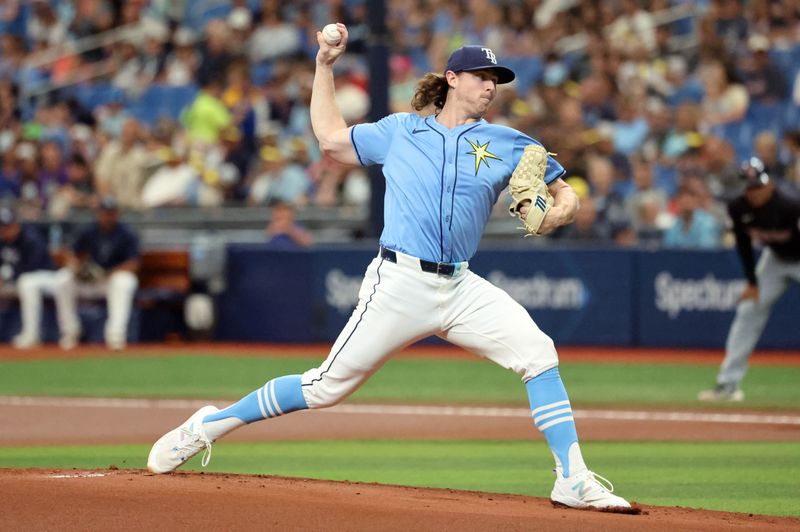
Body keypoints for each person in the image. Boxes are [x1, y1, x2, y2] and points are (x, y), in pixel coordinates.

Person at [147, 28, 634, 512]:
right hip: (400, 282)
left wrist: (558, 211)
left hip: (461, 285)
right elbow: (330, 139)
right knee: (324, 388)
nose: (490, 85)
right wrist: (324, 65)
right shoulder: (401, 130)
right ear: (452, 79)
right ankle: (208, 426)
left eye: (495, 79)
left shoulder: (509, 142)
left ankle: (572, 478)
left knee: (538, 352)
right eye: (481, 75)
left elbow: (567, 192)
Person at [699, 158, 800, 401]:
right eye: (749, 186)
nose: (753, 192)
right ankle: (728, 384)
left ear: (770, 185)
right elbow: (743, 245)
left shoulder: (790, 207)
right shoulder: (738, 207)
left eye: (758, 186)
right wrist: (752, 283)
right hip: (775, 260)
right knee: (747, 310)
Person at [52, 196, 140, 350]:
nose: (108, 216)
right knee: (62, 279)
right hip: (89, 281)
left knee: (124, 281)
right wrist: (76, 266)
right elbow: (73, 254)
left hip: (110, 281)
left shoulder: (127, 234)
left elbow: (133, 263)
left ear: (117, 214)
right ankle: (70, 332)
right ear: (98, 213)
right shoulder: (89, 231)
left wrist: (108, 273)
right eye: (105, 212)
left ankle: (115, 336)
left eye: (111, 212)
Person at [0, 205, 56, 349]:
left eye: (8, 226)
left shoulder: (30, 238)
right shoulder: (3, 241)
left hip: (45, 276)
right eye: (2, 226)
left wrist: (5, 277)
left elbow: (31, 266)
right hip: (16, 279)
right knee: (25, 282)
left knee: (27, 282)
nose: (5, 230)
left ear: (16, 224)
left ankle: (31, 334)